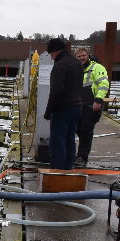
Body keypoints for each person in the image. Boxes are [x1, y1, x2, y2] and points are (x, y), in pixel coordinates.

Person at [43, 38, 82, 170]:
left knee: (57, 143)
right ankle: (68, 169)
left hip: (62, 109)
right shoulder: (77, 63)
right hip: (77, 107)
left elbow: (56, 91)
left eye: (51, 54)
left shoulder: (60, 66)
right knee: (70, 141)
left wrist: (48, 111)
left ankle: (57, 172)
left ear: (54, 51)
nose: (51, 57)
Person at [74, 48, 110, 167]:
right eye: (78, 57)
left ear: (88, 55)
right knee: (77, 129)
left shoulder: (97, 68)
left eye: (83, 56)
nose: (81, 58)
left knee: (86, 131)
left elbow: (103, 84)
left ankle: (82, 157)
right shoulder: (76, 69)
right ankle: (78, 154)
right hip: (78, 104)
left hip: (91, 104)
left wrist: (99, 100)